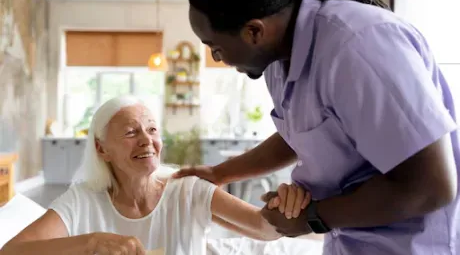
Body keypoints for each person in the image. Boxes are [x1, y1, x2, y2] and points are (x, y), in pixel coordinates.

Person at [175, 0, 460, 254]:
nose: (218, 59)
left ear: (254, 32)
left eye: (216, 48)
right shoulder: (276, 60)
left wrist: (313, 217)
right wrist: (220, 173)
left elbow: (430, 186)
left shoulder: (359, 45)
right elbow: (301, 132)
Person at [0, 96, 310, 255]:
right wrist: (92, 243)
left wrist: (284, 209)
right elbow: (11, 252)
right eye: (131, 132)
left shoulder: (187, 189)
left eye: (151, 129)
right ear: (101, 149)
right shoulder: (83, 199)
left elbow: (262, 228)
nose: (147, 140)